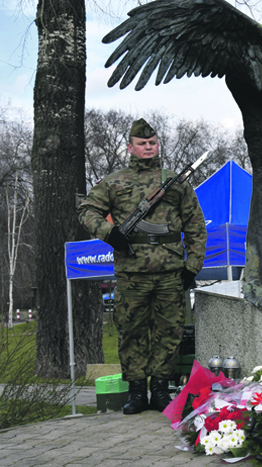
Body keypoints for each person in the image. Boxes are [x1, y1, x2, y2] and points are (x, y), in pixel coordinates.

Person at [78, 118, 207, 414]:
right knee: (131, 331)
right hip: (131, 273)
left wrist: (192, 266)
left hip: (171, 272)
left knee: (169, 331)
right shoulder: (114, 181)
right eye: (141, 144)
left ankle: (161, 389)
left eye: (152, 143)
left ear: (157, 145)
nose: (147, 148)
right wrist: (109, 233)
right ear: (130, 147)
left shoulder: (175, 182)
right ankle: (136, 392)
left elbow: (196, 225)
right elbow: (86, 209)